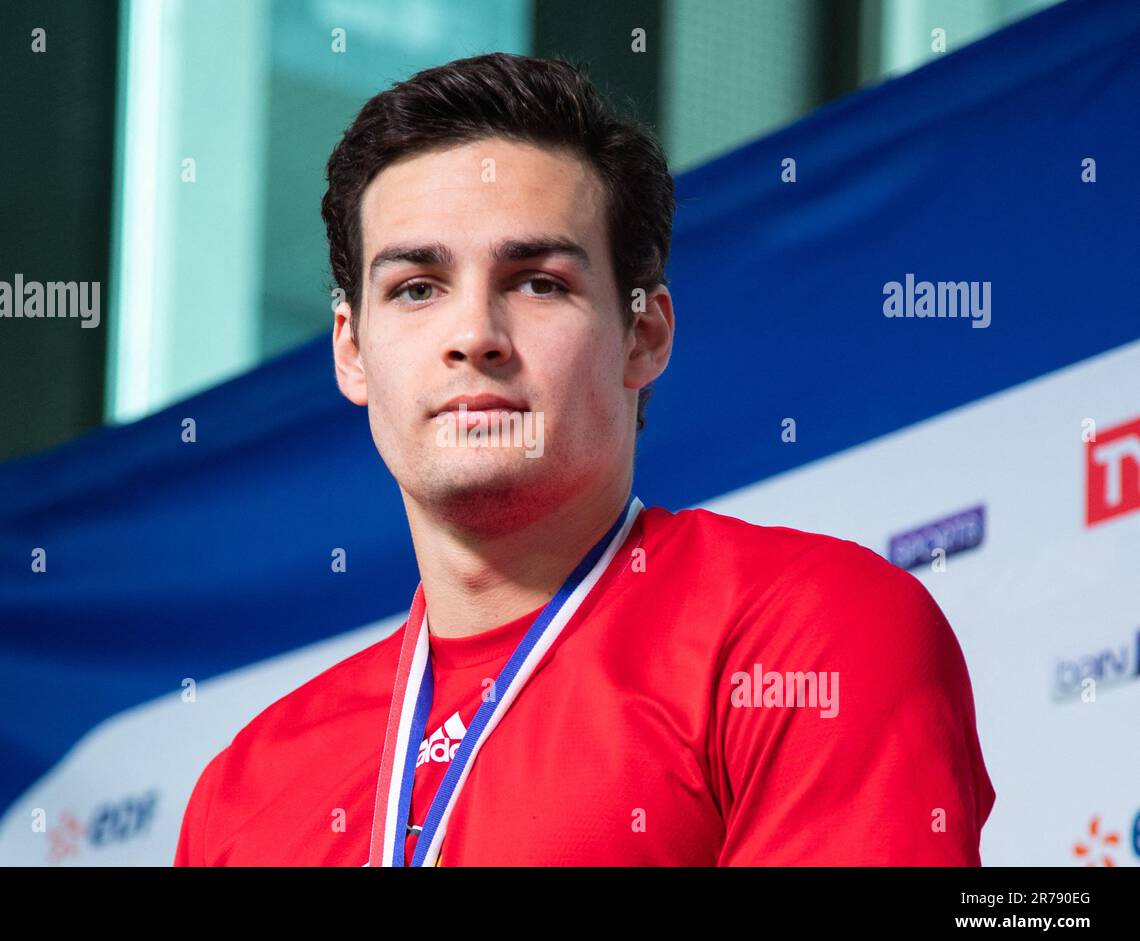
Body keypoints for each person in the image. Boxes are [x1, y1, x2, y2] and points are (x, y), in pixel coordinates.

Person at [174, 52, 995, 867]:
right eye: (417, 287)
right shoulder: (240, 793)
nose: (474, 337)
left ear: (644, 333)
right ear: (352, 351)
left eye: (537, 282)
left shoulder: (802, 637)